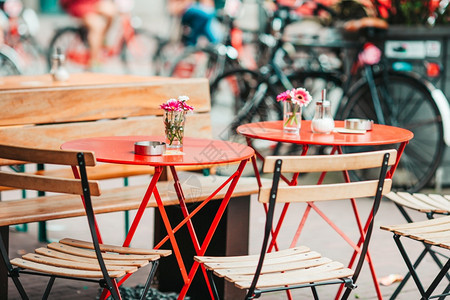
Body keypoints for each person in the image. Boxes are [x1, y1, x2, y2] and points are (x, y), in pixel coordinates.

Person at [59, 0, 117, 69]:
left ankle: (100, 41)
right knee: (98, 26)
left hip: (92, 3)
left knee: (112, 11)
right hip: (79, 5)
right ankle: (93, 61)